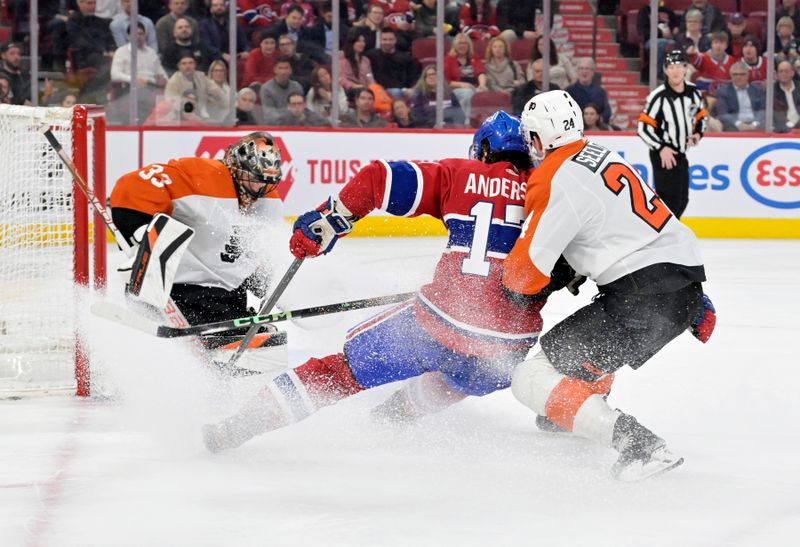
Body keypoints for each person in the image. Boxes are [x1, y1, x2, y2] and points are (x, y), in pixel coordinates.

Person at [202, 112, 565, 452]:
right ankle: (393, 417)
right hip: (507, 349)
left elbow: (378, 179)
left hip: (437, 325)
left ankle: (241, 425)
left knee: (340, 372)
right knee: (464, 373)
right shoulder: (549, 192)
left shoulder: (459, 174)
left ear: (483, 149)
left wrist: (328, 222)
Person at [504, 90, 715, 481]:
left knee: (530, 378)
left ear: (539, 137)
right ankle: (584, 407)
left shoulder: (552, 175)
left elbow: (525, 274)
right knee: (583, 346)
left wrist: (511, 291)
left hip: (643, 299)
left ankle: (641, 447)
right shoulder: (600, 154)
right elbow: (637, 230)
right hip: (682, 288)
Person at [110, 132, 282, 325]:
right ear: (236, 166)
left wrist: (261, 289)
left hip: (226, 296)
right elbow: (132, 185)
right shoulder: (204, 176)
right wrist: (141, 235)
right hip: (179, 290)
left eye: (266, 182)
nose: (260, 188)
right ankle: (146, 277)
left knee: (263, 341)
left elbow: (262, 256)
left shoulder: (270, 202)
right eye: (254, 178)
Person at [637, 50, 706, 219]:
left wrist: (697, 134)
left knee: (683, 200)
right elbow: (643, 128)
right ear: (666, 70)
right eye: (671, 67)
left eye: (679, 66)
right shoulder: (658, 97)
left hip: (681, 153)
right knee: (669, 200)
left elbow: (700, 116)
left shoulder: (693, 92)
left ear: (685, 69)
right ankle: (663, 237)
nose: (675, 71)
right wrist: (661, 148)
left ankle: (668, 236)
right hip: (664, 154)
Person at [365, 28, 420, 98]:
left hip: (403, 90)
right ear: (380, 40)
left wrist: (412, 89)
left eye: (390, 39)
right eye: (384, 39)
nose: (387, 42)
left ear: (395, 40)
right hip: (380, 91)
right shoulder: (371, 56)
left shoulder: (406, 57)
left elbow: (413, 76)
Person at [715, 62, 767, 132]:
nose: (738, 77)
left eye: (742, 74)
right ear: (731, 76)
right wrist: (739, 124)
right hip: (734, 124)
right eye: (735, 74)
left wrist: (754, 124)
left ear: (747, 75)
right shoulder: (723, 91)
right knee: (728, 127)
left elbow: (763, 110)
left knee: (767, 126)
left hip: (755, 123)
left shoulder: (757, 90)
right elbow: (723, 113)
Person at [199, 0, 250, 64]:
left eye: (221, 5)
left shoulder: (233, 23)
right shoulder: (204, 25)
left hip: (234, 58)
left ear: (225, 8)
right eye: (215, 5)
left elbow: (243, 41)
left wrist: (246, 51)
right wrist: (222, 55)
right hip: (214, 59)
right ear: (211, 9)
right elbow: (207, 45)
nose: (219, 7)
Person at [260, 55, 304, 123]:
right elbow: (270, 116)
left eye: (286, 68)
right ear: (274, 70)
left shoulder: (297, 87)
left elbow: (303, 110)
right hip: (275, 128)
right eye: (280, 68)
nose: (283, 72)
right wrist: (291, 112)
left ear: (291, 70)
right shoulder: (266, 89)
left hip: (296, 126)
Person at [565, 58, 611, 124]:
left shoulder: (600, 91)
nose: (584, 71)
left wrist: (595, 120)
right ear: (577, 72)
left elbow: (607, 112)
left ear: (593, 72)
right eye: (581, 68)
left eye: (587, 68)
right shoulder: (568, 91)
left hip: (597, 127)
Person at [774, 60, 800, 132]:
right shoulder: (772, 91)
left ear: (792, 73)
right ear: (777, 74)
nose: (783, 74)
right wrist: (789, 127)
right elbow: (776, 114)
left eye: (786, 71)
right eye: (781, 71)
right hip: (783, 129)